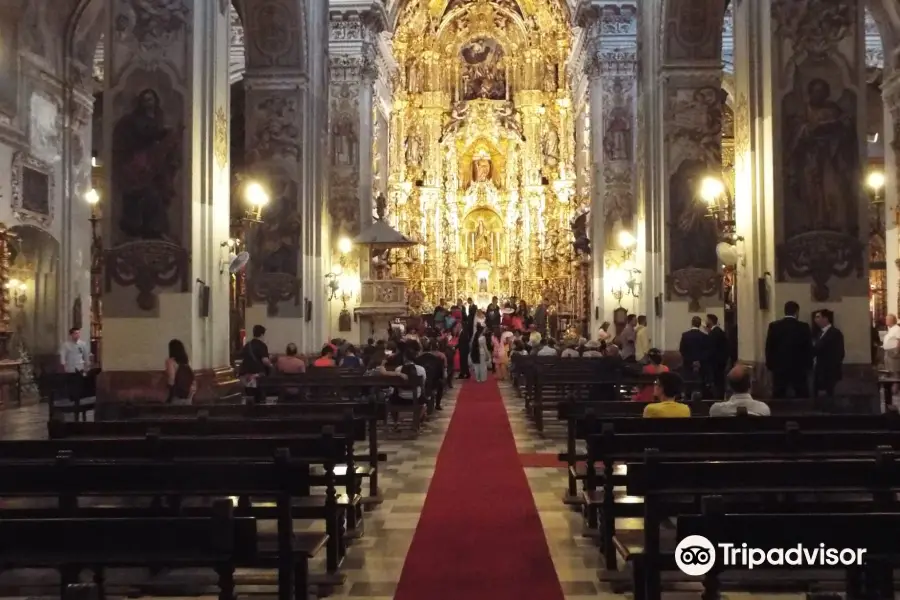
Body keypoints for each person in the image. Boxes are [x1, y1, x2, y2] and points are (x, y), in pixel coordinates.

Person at [765, 300, 812, 398]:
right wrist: (809, 365)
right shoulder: (803, 327)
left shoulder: (774, 326)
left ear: (785, 311)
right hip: (799, 368)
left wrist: (770, 364)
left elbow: (769, 347)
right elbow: (808, 348)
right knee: (801, 394)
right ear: (797, 312)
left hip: (779, 367)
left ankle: (779, 412)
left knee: (779, 394)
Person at [813, 309, 844, 397]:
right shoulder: (819, 333)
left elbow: (839, 353)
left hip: (830, 372)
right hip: (819, 371)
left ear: (825, 319)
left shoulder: (835, 333)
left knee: (829, 395)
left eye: (818, 317)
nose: (815, 320)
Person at [239, 325, 272, 404]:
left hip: (246, 374)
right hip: (257, 374)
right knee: (259, 394)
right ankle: (259, 411)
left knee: (249, 394)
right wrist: (271, 365)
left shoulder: (247, 345)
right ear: (262, 334)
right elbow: (265, 360)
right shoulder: (262, 345)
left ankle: (249, 410)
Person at [679, 316, 709, 389]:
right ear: (699, 324)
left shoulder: (685, 335)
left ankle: (688, 397)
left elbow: (682, 349)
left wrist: (689, 359)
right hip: (701, 364)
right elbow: (706, 351)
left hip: (688, 363)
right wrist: (698, 360)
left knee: (688, 382)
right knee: (699, 384)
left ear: (692, 323)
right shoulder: (704, 336)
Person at [165, 338, 195, 404]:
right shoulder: (186, 362)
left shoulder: (170, 362)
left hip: (177, 394)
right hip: (188, 395)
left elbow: (171, 378)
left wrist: (168, 391)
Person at [706, 314, 728, 398]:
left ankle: (718, 397)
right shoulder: (717, 331)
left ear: (711, 321)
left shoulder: (715, 332)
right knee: (719, 381)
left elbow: (712, 348)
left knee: (717, 382)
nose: (706, 321)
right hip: (719, 362)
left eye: (707, 320)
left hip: (716, 363)